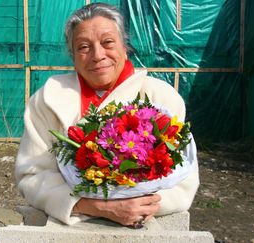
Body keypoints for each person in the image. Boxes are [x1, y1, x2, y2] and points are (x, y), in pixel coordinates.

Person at [15, 3, 199, 227]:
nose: (97, 55)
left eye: (107, 42)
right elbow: (32, 176)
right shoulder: (47, 99)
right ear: (72, 55)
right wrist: (99, 207)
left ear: (124, 46)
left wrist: (135, 207)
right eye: (83, 47)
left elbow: (184, 179)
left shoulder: (160, 97)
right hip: (69, 225)